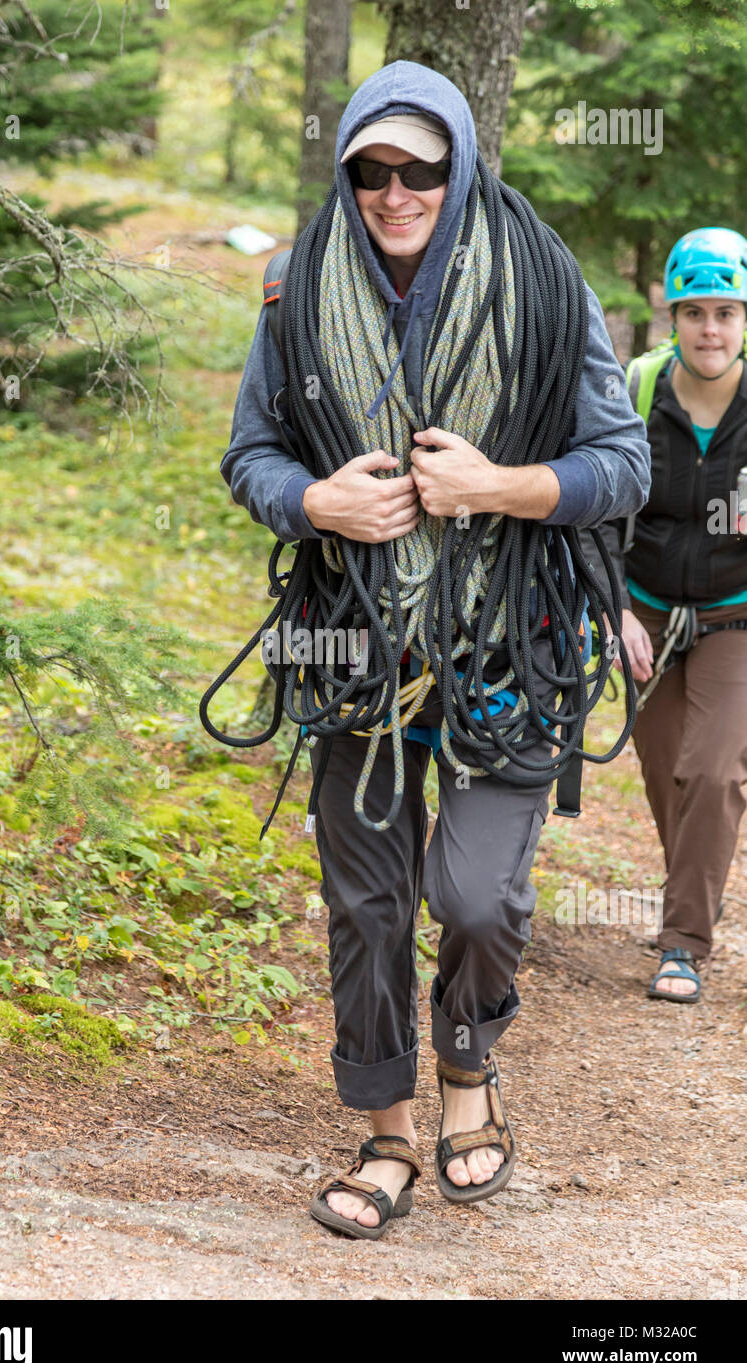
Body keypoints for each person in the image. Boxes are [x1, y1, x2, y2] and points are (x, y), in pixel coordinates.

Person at [219, 61, 650, 1238]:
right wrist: (316, 505)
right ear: (347, 169)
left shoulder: (544, 280)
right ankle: (387, 1130)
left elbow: (621, 462)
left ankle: (470, 1067)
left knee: (470, 892)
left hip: (514, 640)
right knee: (365, 904)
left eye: (421, 168)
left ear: (459, 167)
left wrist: (498, 486)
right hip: (348, 640)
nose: (395, 191)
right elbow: (250, 453)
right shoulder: (293, 285)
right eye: (371, 168)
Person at [579, 227, 747, 1005]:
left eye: (726, 312)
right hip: (642, 611)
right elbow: (594, 512)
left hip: (733, 616)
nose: (710, 330)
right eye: (695, 313)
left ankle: (682, 943)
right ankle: (694, 894)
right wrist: (614, 610)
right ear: (673, 317)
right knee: (663, 774)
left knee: (710, 772)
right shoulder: (637, 389)